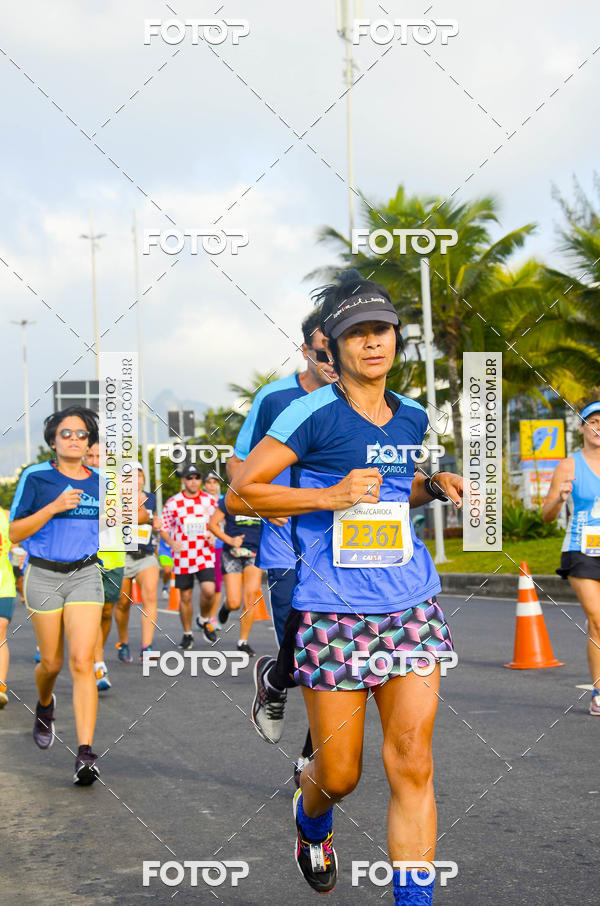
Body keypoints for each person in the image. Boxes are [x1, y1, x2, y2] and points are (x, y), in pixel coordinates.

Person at [228, 271, 462, 901]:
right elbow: (243, 491)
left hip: (410, 602)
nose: (371, 344)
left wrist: (432, 487)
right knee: (341, 772)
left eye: (381, 331)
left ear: (396, 339)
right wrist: (326, 495)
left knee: (413, 761)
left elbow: (389, 495)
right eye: (356, 334)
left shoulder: (410, 415)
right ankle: (312, 817)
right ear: (331, 346)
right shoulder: (309, 411)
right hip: (332, 610)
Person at [227, 307, 337, 781]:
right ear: (305, 349)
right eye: (322, 350)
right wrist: (262, 505)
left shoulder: (369, 398)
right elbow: (238, 469)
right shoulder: (276, 398)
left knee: (330, 657)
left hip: (354, 551)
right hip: (289, 546)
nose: (332, 359)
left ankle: (312, 759)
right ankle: (274, 680)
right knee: (305, 646)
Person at [9, 406, 104, 785]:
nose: (75, 440)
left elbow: (122, 529)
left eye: (82, 434)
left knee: (83, 662)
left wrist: (138, 514)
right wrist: (54, 506)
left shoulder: (103, 481)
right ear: (53, 440)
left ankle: (85, 753)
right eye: (67, 433)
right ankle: (45, 704)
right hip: (44, 575)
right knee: (51, 663)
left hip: (85, 575)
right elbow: (15, 532)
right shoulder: (37, 477)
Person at [543, 397, 600, 715]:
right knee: (597, 620)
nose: (598, 429)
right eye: (593, 422)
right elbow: (547, 514)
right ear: (582, 427)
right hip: (582, 550)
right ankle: (599, 692)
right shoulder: (569, 465)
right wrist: (560, 499)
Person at [82, 442, 125, 691]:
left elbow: (133, 514)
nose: (95, 459)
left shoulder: (117, 483)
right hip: (86, 557)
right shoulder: (78, 483)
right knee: (93, 612)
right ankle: (97, 663)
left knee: (107, 612)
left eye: (99, 455)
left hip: (114, 555)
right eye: (91, 455)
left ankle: (94, 654)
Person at [160, 464, 217, 650]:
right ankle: (187, 633)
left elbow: (219, 524)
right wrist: (171, 542)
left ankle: (204, 618)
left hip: (204, 554)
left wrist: (214, 534)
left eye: (196, 477)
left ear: (200, 480)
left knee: (209, 591)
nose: (193, 481)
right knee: (185, 596)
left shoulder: (210, 501)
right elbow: (164, 528)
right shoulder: (173, 502)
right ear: (183, 480)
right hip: (183, 556)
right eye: (189, 477)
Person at [207, 490, 263, 656]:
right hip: (232, 554)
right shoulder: (229, 499)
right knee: (234, 602)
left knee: (251, 597)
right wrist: (230, 540)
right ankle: (225, 607)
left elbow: (273, 519)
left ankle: (243, 641)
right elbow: (213, 524)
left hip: (254, 553)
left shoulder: (260, 497)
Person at [114, 463, 159, 663]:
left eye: (139, 475)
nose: (136, 479)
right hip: (123, 554)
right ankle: (123, 642)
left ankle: (147, 647)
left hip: (145, 554)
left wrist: (157, 524)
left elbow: (154, 520)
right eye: (131, 476)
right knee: (123, 602)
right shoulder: (116, 499)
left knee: (150, 595)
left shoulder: (151, 498)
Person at [0, 507, 17, 708]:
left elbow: (17, 540)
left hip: (4, 585)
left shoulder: (5, 517)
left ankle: (1, 688)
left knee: (1, 628)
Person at [204, 471, 225, 620]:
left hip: (220, 545)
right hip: (202, 547)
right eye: (209, 482)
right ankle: (204, 613)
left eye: (215, 482)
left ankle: (212, 617)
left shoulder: (225, 500)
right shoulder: (199, 501)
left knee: (217, 583)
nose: (212, 486)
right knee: (206, 585)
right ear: (204, 485)